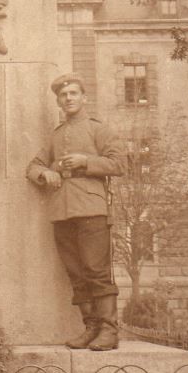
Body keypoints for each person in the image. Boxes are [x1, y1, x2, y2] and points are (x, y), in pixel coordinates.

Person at [26, 73, 125, 351]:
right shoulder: (56, 136)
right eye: (63, 95)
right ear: (58, 101)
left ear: (84, 97)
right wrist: (45, 173)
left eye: (73, 93)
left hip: (92, 209)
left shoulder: (98, 130)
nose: (68, 98)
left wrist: (85, 161)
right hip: (61, 212)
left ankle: (109, 330)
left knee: (96, 270)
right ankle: (90, 327)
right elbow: (32, 166)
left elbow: (119, 164)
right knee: (76, 273)